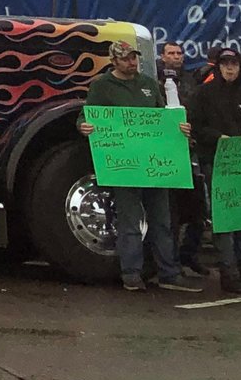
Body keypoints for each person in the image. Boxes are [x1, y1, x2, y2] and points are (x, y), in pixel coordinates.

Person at [78, 41, 200, 292]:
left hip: (154, 164)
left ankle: (169, 272)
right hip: (125, 165)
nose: (131, 62)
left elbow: (162, 115)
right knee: (130, 221)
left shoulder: (148, 84)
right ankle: (131, 273)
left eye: (133, 58)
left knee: (162, 221)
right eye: (125, 59)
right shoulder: (102, 86)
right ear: (114, 61)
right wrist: (83, 126)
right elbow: (86, 114)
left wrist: (179, 128)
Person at [191, 46, 241, 295]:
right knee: (225, 220)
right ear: (218, 66)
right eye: (225, 63)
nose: (230, 67)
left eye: (234, 63)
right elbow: (195, 126)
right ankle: (229, 273)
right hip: (216, 162)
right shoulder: (203, 95)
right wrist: (217, 137)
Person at [158, 41, 210, 276]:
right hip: (165, 152)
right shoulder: (153, 81)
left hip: (190, 149)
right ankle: (170, 262)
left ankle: (189, 254)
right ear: (162, 56)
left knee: (199, 209)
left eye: (179, 53)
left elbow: (198, 112)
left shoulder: (190, 81)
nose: (176, 57)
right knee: (172, 212)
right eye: (171, 53)